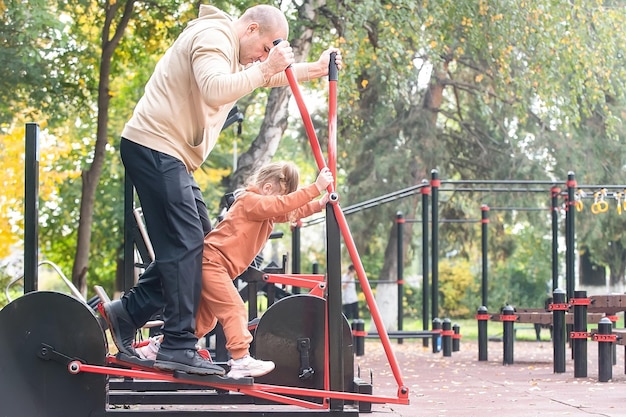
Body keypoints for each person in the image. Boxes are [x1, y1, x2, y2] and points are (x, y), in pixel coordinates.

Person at [101, 3, 342, 376]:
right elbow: (215, 90)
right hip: (155, 146)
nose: (261, 59)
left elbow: (261, 78)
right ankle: (178, 345)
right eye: (263, 49)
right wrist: (265, 67)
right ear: (250, 30)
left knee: (199, 246)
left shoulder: (233, 54)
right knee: (186, 246)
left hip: (170, 154)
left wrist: (312, 69)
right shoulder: (213, 38)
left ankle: (127, 314)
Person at [194, 162, 333, 379]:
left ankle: (165, 346)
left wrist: (320, 204)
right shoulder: (250, 201)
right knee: (234, 308)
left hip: (217, 266)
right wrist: (316, 188)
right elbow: (283, 205)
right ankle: (240, 359)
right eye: (280, 196)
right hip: (212, 263)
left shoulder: (264, 211)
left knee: (205, 318)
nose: (281, 201)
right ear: (267, 189)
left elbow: (290, 211)